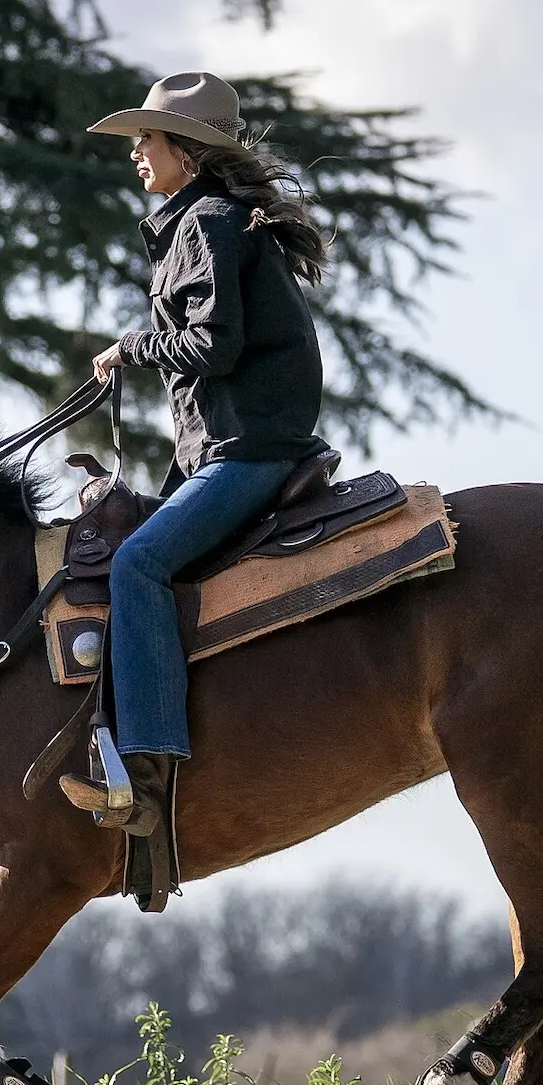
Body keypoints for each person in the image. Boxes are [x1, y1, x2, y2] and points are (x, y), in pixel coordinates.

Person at [60, 71, 328, 838]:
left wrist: (129, 346)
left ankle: (143, 770)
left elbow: (211, 347)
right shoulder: (204, 221)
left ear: (187, 148)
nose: (136, 152)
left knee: (135, 565)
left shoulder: (207, 221)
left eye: (147, 137)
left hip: (247, 451)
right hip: (228, 448)